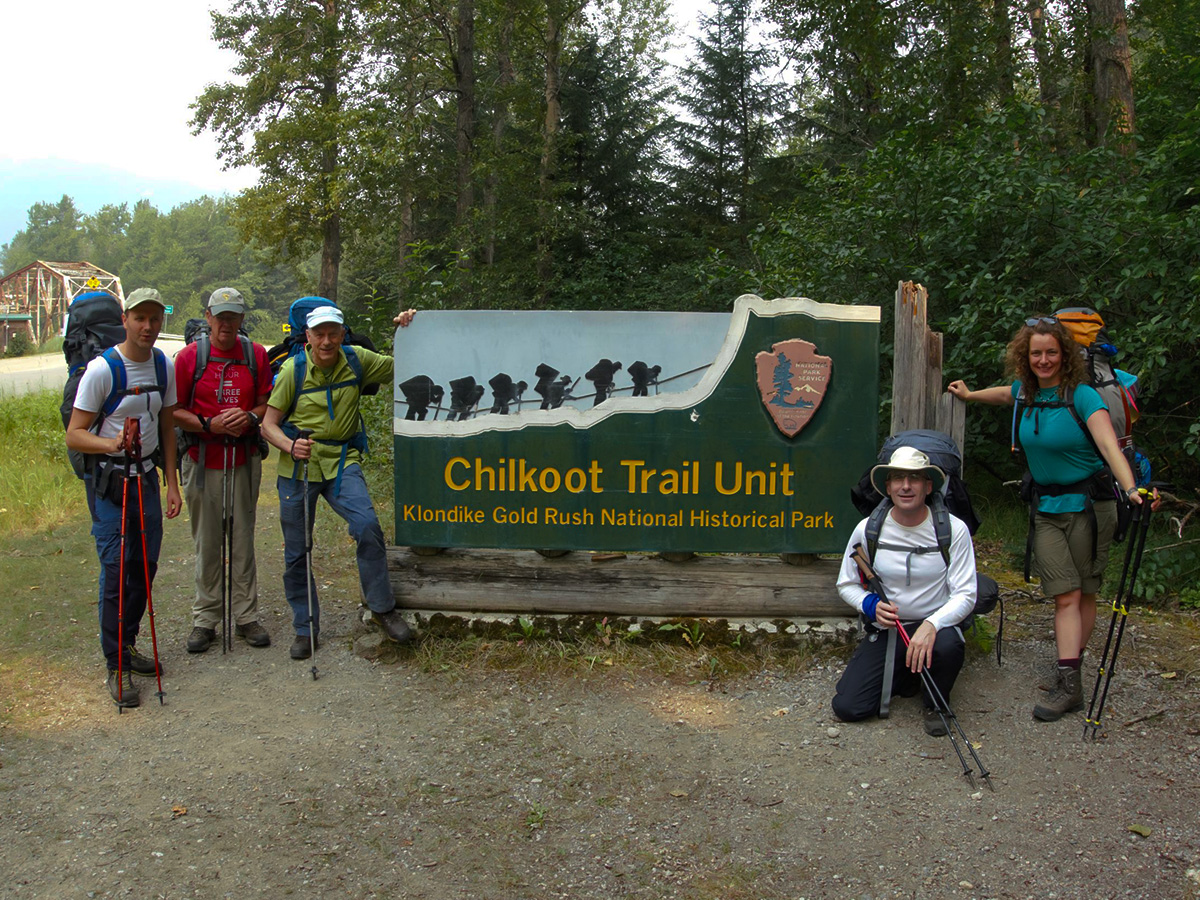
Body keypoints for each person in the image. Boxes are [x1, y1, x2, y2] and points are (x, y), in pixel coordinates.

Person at [948, 314, 1142, 722]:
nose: (1044, 360)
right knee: (1064, 593)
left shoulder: (1084, 396)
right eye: (1036, 353)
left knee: (1084, 591)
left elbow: (1109, 447)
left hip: (1091, 507)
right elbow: (1005, 394)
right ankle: (1070, 671)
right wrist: (970, 394)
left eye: (1051, 352)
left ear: (1064, 354)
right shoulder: (1026, 393)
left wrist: (1131, 489)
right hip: (1046, 510)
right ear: (1026, 355)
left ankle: (1068, 677)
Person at [260, 304, 416, 660]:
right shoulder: (291, 371)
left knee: (367, 526)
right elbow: (267, 423)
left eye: (333, 333)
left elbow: (407, 363)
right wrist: (289, 444)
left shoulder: (357, 359)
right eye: (320, 334)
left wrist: (406, 331)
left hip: (343, 461)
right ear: (309, 336)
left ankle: (381, 608)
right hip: (299, 467)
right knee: (297, 549)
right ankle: (305, 626)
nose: (327, 341)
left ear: (343, 333)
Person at [65, 287, 182, 708]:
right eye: (140, 318)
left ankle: (128, 642)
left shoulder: (163, 366)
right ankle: (116, 664)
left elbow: (168, 427)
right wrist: (112, 444)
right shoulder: (102, 370)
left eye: (155, 319)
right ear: (126, 319)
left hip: (147, 478)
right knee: (115, 569)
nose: (148, 327)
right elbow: (75, 434)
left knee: (144, 566)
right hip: (112, 484)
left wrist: (172, 482)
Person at [832, 447, 977, 736]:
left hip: (935, 629)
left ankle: (937, 703)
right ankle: (910, 675)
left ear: (928, 486)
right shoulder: (868, 529)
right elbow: (846, 584)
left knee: (948, 646)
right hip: (889, 630)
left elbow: (966, 594)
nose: (906, 486)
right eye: (898, 479)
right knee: (848, 707)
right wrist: (870, 605)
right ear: (888, 486)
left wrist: (932, 624)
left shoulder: (953, 530)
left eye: (915, 479)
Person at [173, 287, 273, 653]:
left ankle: (246, 617)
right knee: (207, 541)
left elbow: (267, 405)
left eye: (234, 316)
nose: (227, 323)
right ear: (209, 316)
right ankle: (205, 619)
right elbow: (173, 411)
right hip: (203, 459)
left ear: (242, 319)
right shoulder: (188, 358)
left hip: (243, 458)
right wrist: (207, 424)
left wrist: (247, 416)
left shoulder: (255, 354)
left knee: (243, 539)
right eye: (221, 316)